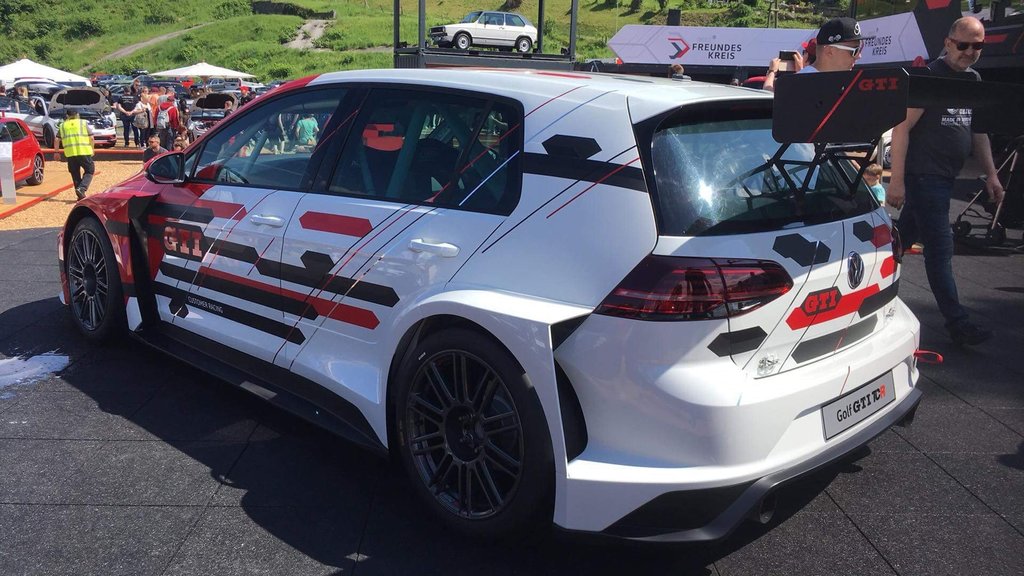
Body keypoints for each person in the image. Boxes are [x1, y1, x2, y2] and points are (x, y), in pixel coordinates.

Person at [886, 16, 1004, 346]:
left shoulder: (973, 79)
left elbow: (978, 130)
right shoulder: (930, 78)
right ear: (948, 43)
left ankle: (869, 279)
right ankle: (957, 323)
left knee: (901, 240)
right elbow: (902, 129)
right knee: (940, 249)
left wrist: (992, 175)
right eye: (963, 44)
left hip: (944, 176)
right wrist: (896, 181)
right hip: (926, 177)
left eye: (977, 46)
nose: (969, 51)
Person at [798, 17, 870, 74]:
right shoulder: (800, 84)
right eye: (855, 51)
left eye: (860, 49)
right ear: (830, 51)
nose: (859, 56)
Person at [54, 109, 95, 200]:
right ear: (77, 115)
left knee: (75, 173)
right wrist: (92, 149)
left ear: (67, 116)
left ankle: (80, 194)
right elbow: (91, 138)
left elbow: (57, 139)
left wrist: (56, 152)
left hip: (70, 153)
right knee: (90, 170)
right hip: (84, 151)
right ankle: (82, 188)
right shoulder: (83, 123)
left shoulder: (63, 125)